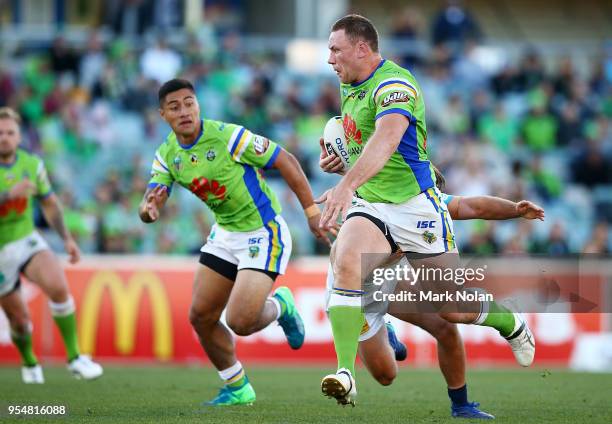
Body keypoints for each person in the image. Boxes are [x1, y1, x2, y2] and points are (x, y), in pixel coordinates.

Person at [317, 15, 535, 406]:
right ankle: (345, 373)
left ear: (362, 48)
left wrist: (345, 184)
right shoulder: (348, 84)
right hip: (373, 205)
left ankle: (510, 321)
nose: (329, 58)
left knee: (451, 309)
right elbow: (361, 138)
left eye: (335, 49)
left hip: (416, 206)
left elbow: (386, 141)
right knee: (346, 260)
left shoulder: (396, 85)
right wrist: (340, 157)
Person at [139, 79, 330, 406]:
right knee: (200, 316)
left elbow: (286, 160)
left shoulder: (230, 136)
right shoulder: (167, 155)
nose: (184, 111)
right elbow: (153, 197)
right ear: (162, 115)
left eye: (189, 103)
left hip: (262, 232)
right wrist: (148, 210)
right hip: (225, 234)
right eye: (174, 107)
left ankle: (281, 305)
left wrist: (311, 211)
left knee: (240, 322)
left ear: (198, 105)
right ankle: (238, 387)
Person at [340, 166, 544, 419]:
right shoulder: (370, 191)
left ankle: (461, 404)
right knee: (385, 375)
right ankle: (384, 334)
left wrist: (515, 209)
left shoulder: (424, 205)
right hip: (355, 291)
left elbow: (474, 206)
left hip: (390, 279)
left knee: (447, 322)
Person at [0, 107, 103, 384]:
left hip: (25, 239)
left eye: (10, 132)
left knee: (58, 286)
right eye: (0, 133)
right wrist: (8, 194)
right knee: (19, 321)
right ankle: (30, 363)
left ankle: (74, 357)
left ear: (19, 135)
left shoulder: (32, 165)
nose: (5, 138)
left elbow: (49, 202)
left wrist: (68, 238)